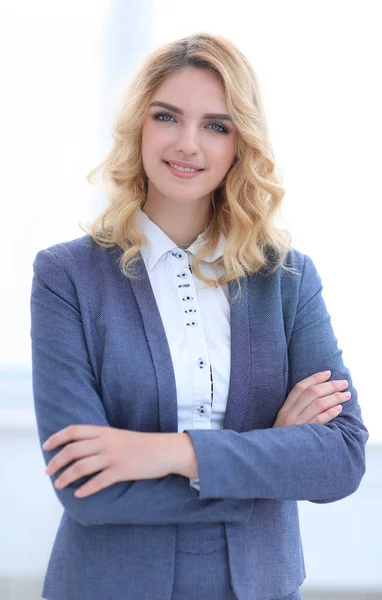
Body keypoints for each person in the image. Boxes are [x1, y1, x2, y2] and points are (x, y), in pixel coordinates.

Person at [30, 33, 368, 600]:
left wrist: (165, 452)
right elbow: (85, 486)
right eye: (167, 116)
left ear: (242, 144)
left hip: (260, 586)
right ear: (140, 125)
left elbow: (340, 459)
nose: (188, 144)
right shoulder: (67, 276)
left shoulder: (286, 279)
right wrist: (268, 456)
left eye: (216, 125)